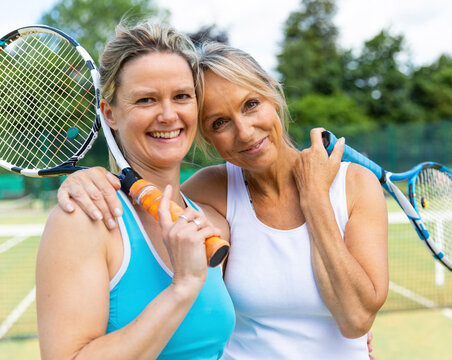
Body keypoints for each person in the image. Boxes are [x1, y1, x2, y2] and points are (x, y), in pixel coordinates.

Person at [57, 41, 388, 359]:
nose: (244, 132)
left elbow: (356, 319)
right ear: (206, 135)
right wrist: (87, 178)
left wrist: (316, 200)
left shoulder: (355, 184)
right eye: (219, 123)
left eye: (251, 104)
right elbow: (144, 199)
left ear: (273, 94)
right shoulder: (208, 192)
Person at [36, 23, 235, 360]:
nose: (168, 115)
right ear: (109, 113)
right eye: (146, 100)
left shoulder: (212, 220)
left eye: (182, 96)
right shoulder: (84, 223)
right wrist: (182, 288)